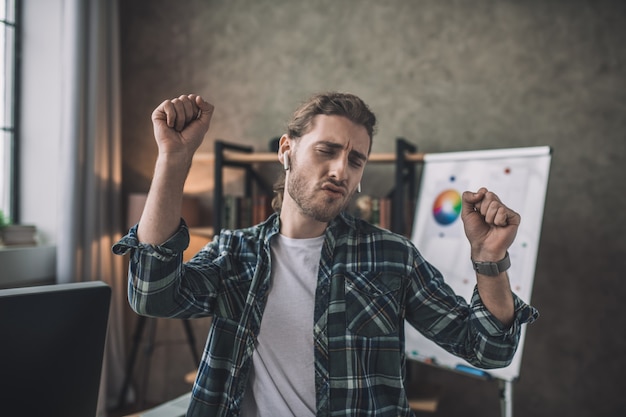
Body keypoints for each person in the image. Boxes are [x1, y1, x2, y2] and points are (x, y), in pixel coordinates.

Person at [113, 92, 538, 417]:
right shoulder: (233, 253)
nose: (341, 170)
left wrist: (488, 260)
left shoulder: (391, 257)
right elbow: (152, 293)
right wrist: (173, 158)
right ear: (286, 150)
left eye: (356, 160)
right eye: (326, 150)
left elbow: (488, 350)